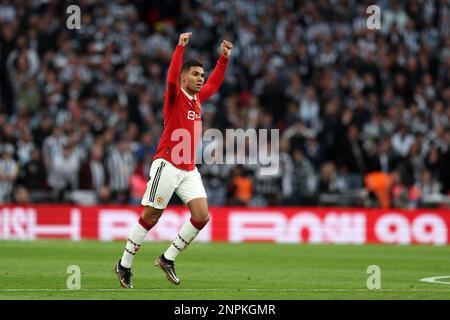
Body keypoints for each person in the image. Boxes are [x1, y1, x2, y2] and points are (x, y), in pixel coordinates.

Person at [114, 32, 233, 288]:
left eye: (202, 75)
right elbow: (170, 78)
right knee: (151, 215)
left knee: (202, 217)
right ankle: (123, 264)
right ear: (184, 77)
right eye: (196, 74)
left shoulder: (198, 100)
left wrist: (223, 59)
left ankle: (167, 259)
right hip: (167, 164)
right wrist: (179, 48)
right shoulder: (174, 96)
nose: (201, 79)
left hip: (189, 169)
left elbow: (215, 83)